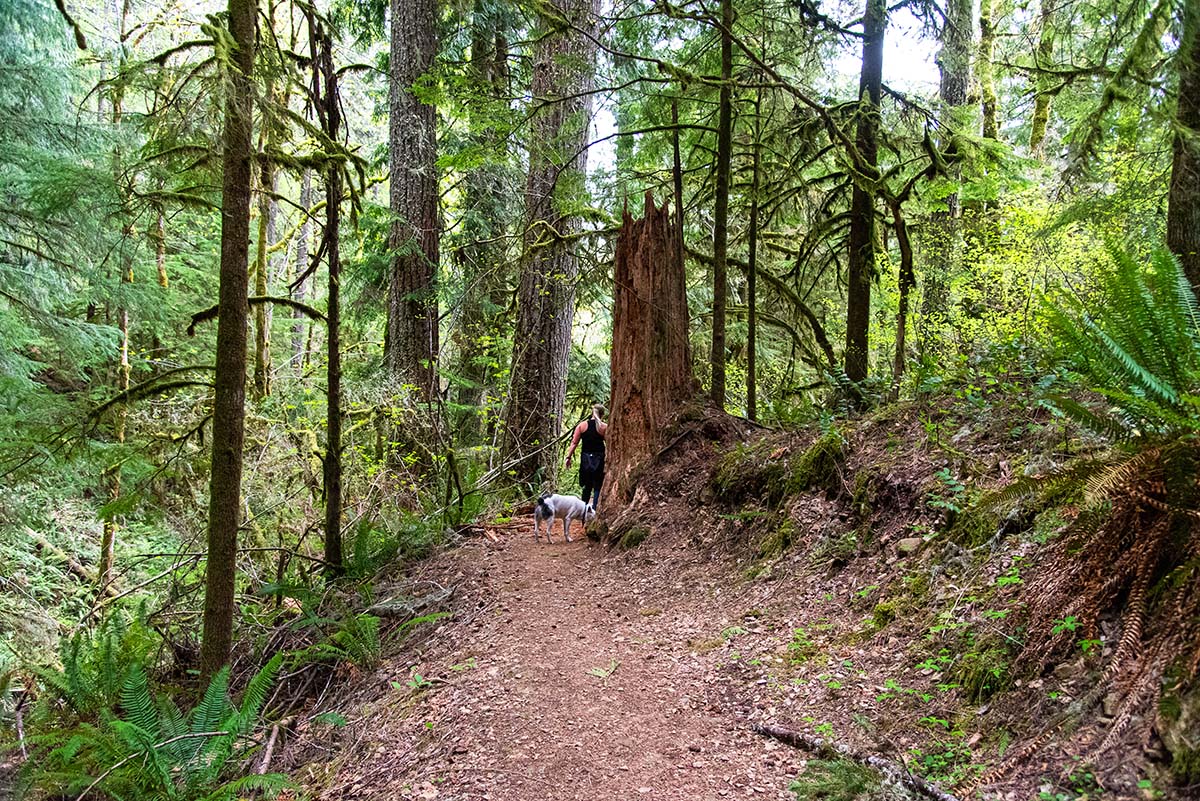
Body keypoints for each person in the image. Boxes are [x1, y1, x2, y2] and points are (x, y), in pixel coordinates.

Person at [564, 404, 607, 509]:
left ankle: (583, 511)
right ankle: (594, 510)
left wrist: (568, 457)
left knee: (587, 486)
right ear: (602, 415)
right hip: (600, 458)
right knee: (598, 486)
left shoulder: (582, 426)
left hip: (586, 459)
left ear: (592, 413)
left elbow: (574, 443)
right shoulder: (604, 427)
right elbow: (609, 444)